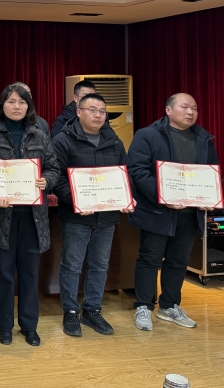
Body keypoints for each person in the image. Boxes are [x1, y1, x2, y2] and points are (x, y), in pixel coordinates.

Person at [0, 84, 59, 347]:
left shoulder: (40, 135)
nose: (16, 107)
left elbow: (53, 167)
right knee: (4, 274)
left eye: (22, 102)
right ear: (2, 105)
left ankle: (29, 327)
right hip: (0, 218)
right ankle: (5, 327)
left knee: (30, 274)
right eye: (11, 101)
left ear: (28, 106)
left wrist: (46, 180)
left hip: (33, 217)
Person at [128, 93, 217, 332]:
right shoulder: (147, 135)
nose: (190, 112)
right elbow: (138, 171)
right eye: (185, 107)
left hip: (189, 214)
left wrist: (210, 197)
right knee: (150, 259)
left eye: (194, 108)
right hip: (157, 211)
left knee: (179, 261)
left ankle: (169, 306)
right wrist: (163, 196)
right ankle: (144, 306)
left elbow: (212, 173)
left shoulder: (204, 138)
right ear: (168, 110)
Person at [52, 93, 131, 337]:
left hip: (107, 217)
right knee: (72, 265)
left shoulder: (114, 140)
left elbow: (124, 174)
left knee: (100, 265)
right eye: (92, 110)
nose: (98, 115)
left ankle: (92, 309)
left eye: (102, 111)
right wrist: (75, 199)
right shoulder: (63, 140)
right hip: (77, 216)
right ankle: (70, 311)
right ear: (78, 111)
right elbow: (57, 179)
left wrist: (127, 197)